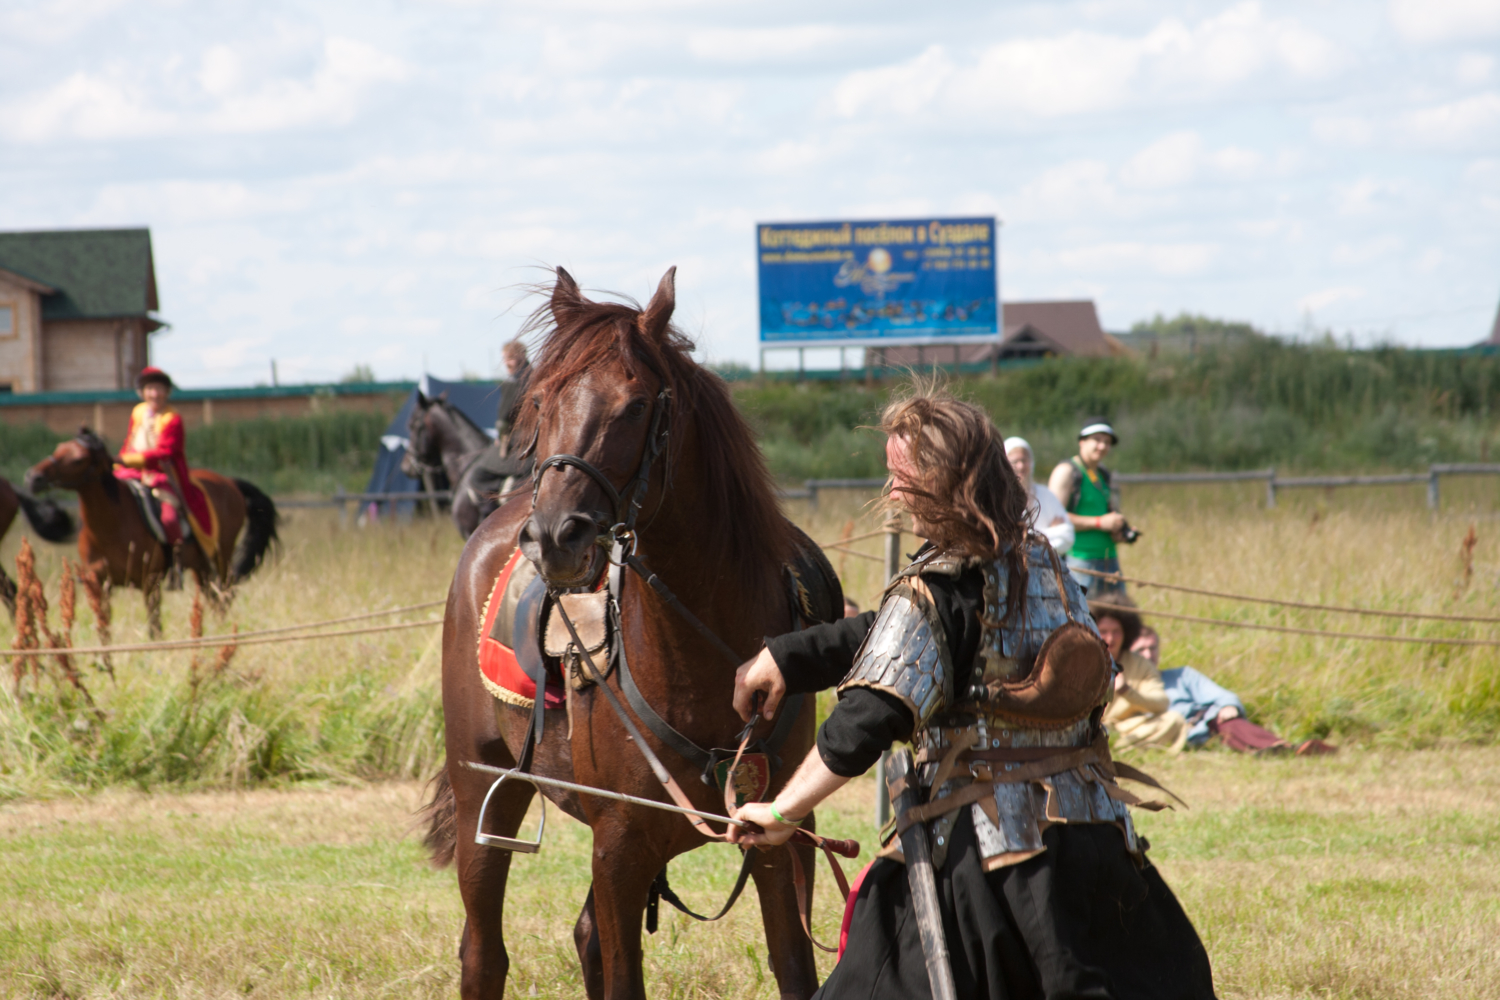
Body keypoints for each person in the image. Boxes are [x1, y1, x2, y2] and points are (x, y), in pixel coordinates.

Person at [730, 388, 1215, 1000]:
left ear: (940, 480)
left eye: (900, 476)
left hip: (980, 860)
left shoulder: (938, 588)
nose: (894, 493)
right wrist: (786, 656)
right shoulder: (1044, 567)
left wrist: (780, 811)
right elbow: (898, 633)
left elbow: (865, 720)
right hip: (1091, 839)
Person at [1097, 602, 1336, 757]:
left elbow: (1222, 696)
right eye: (1142, 651)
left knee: (1225, 723)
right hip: (1158, 732)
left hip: (1206, 724)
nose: (1148, 656)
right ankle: (1281, 751)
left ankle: (1285, 749)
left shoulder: (1182, 675)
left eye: (1153, 649)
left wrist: (1229, 706)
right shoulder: (1121, 669)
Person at [114, 366, 217, 560]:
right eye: (150, 388)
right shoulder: (138, 412)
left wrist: (127, 460)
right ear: (143, 392)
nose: (155, 394)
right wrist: (118, 465)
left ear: (167, 392)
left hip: (162, 476)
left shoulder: (173, 418)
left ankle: (175, 557)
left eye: (159, 389)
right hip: (131, 472)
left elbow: (165, 453)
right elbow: (130, 441)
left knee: (169, 519)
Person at [1048, 419, 1132, 599]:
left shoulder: (1102, 473)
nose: (1103, 446)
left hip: (1109, 559)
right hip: (1079, 559)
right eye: (1097, 439)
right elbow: (1054, 518)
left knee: (1118, 619)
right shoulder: (1066, 471)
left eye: (1108, 442)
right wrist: (1100, 523)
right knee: (1082, 619)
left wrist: (1118, 529)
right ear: (1082, 441)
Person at [1096, 599, 1188, 752]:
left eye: (1116, 632)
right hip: (1092, 727)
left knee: (1174, 720)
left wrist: (1126, 691)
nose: (1110, 639)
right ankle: (1116, 746)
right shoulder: (1081, 661)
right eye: (1103, 632)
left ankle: (1118, 746)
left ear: (1126, 633)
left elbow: (1161, 703)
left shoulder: (1140, 664)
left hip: (1129, 727)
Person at [1003, 436, 1074, 555]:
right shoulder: (1001, 498)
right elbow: (1007, 540)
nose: (1021, 466)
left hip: (1047, 566)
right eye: (1015, 462)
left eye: (1024, 460)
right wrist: (1049, 533)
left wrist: (1029, 539)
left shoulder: (1045, 494)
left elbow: (1068, 535)